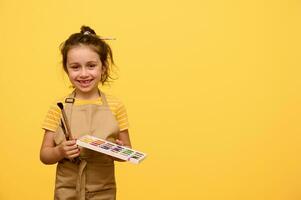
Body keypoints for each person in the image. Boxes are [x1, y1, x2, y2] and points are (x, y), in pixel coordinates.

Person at [40, 25, 131, 200]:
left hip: (103, 191)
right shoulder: (58, 107)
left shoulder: (115, 105)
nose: (83, 74)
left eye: (91, 66)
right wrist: (60, 151)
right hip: (68, 190)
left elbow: (127, 151)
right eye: (75, 67)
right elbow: (44, 155)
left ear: (103, 67)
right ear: (67, 70)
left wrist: (118, 150)